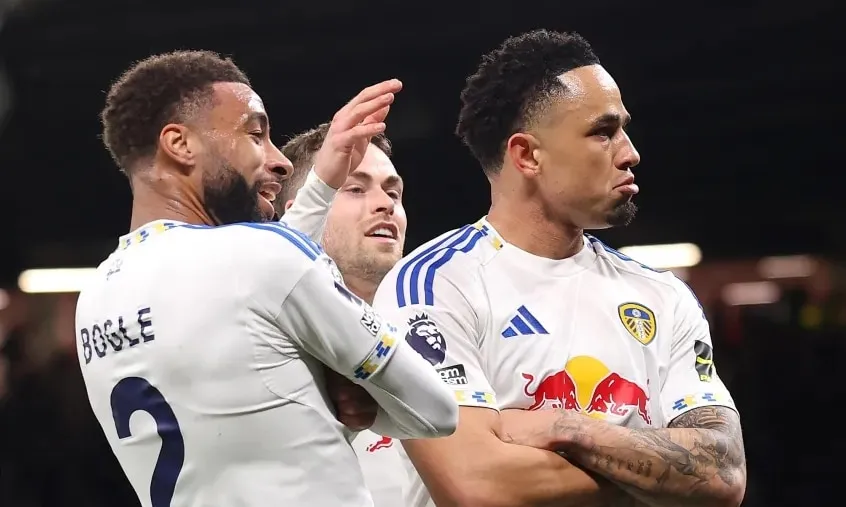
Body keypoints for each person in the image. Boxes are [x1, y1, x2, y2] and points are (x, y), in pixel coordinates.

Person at [372, 29, 747, 507]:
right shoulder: (432, 286)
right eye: (603, 132)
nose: (630, 152)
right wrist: (656, 474)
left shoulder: (662, 296)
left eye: (623, 129)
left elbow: (723, 474)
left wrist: (565, 427)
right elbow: (478, 486)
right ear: (527, 155)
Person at [75, 50, 457, 507]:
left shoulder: (96, 294)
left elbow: (251, 284)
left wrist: (321, 187)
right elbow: (437, 411)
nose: (281, 161)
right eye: (256, 135)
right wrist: (357, 395)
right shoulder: (258, 258)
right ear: (180, 144)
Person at [279, 123, 407, 507]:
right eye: (355, 189)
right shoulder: (264, 351)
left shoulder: (449, 321)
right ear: (307, 209)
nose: (385, 204)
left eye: (393, 192)